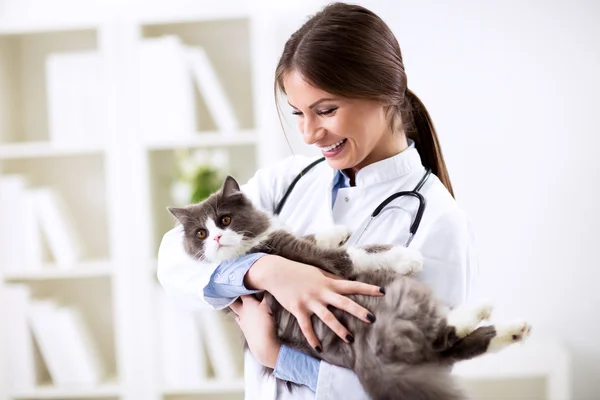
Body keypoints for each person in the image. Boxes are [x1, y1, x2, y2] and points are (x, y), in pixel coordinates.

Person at [157, 2, 478, 399]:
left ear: (384, 92)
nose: (309, 134)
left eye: (326, 110)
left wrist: (275, 355)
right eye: (297, 113)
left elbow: (417, 387)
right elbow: (173, 260)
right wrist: (264, 269)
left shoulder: (437, 220)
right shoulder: (286, 181)